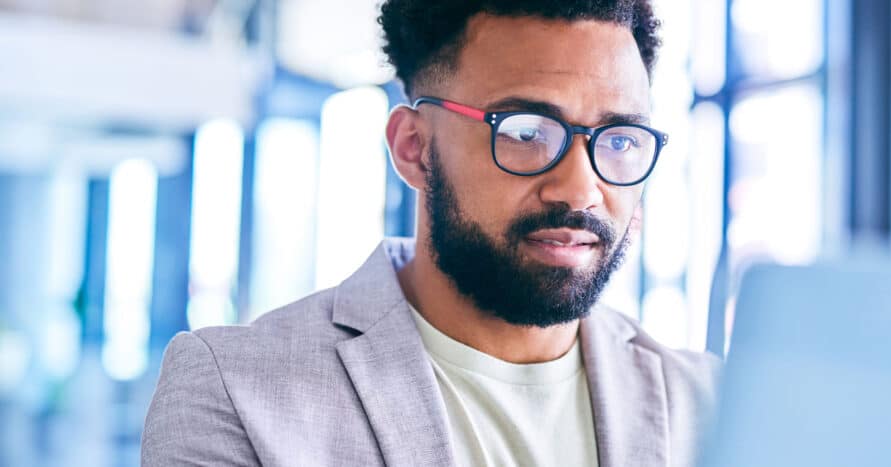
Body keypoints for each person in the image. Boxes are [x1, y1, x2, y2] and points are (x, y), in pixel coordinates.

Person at [141, 1, 719, 466]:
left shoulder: (710, 402)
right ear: (413, 148)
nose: (580, 188)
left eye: (618, 140)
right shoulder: (237, 390)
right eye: (525, 132)